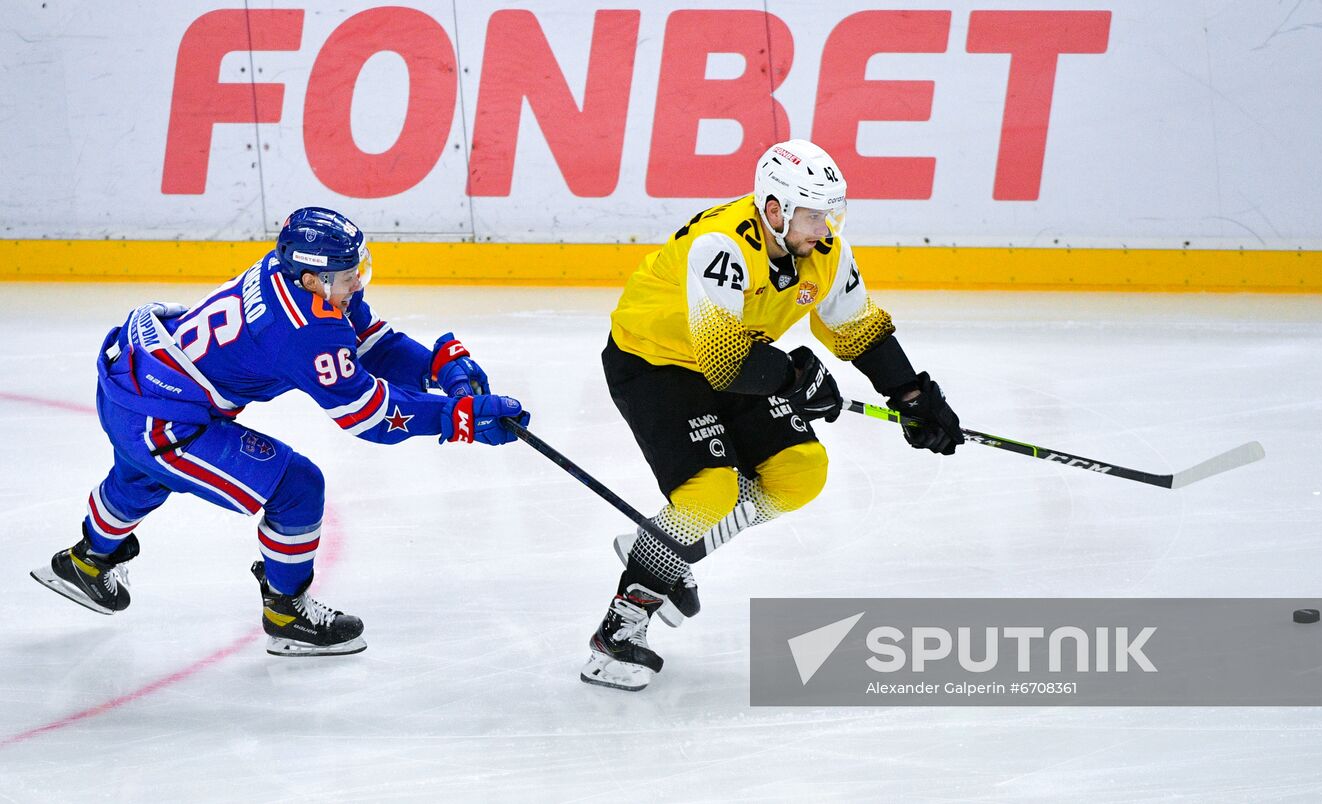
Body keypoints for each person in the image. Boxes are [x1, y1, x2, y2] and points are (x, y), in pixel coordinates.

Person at [30, 207, 529, 657]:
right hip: (162, 420)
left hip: (135, 386)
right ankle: (287, 613)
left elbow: (371, 342)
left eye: (358, 269)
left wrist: (438, 371)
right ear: (311, 277)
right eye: (345, 276)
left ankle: (86, 562)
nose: (355, 283)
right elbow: (368, 414)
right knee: (297, 487)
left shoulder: (289, 273)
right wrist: (454, 418)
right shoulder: (305, 331)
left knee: (142, 473)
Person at [580, 140, 964, 690]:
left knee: (801, 471)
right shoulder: (722, 243)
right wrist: (795, 376)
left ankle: (664, 549)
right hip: (654, 362)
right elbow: (721, 358)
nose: (825, 230)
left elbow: (857, 327)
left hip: (742, 360)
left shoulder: (826, 252)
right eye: (813, 216)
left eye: (832, 214)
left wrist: (913, 396)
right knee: (709, 493)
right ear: (775, 209)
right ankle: (616, 633)